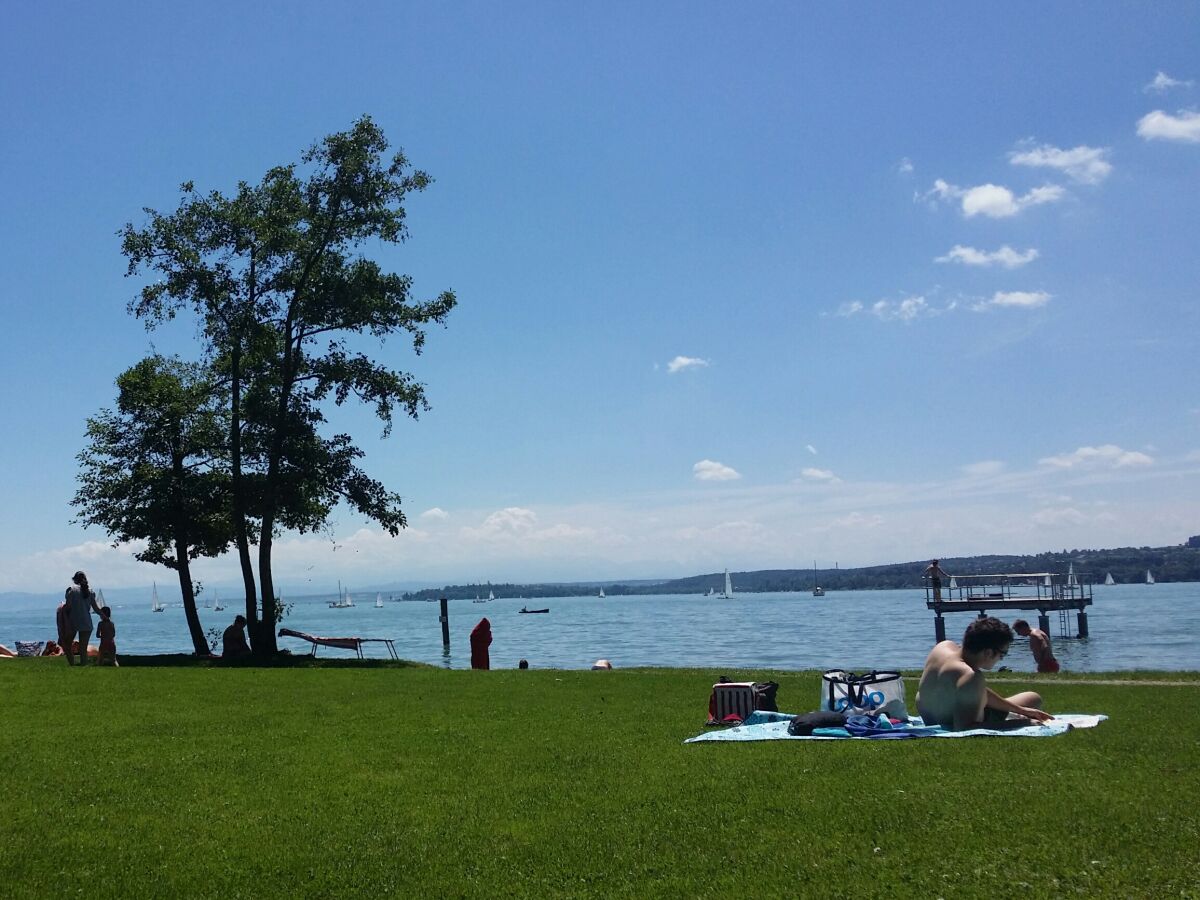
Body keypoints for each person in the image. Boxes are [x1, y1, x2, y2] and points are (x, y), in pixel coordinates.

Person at [916, 616, 1054, 731]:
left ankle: (1015, 713)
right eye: (1002, 654)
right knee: (1033, 698)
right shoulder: (970, 676)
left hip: (931, 716)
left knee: (1024, 706)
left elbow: (972, 690)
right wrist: (1024, 723)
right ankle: (1013, 716)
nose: (1001, 659)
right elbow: (964, 728)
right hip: (953, 719)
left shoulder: (942, 647)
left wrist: (1022, 710)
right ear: (988, 652)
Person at [63, 571, 103, 666]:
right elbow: (96, 608)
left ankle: (72, 664)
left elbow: (68, 607)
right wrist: (104, 615)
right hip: (86, 622)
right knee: (83, 647)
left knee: (67, 644)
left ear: (75, 580)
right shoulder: (90, 591)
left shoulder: (71, 590)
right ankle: (83, 664)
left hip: (73, 621)